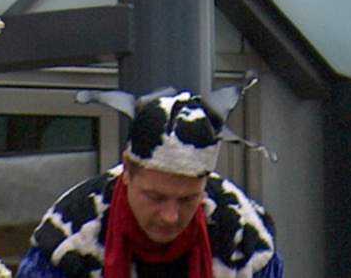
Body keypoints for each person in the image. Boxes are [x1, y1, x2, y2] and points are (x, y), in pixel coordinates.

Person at [17, 88, 281, 278]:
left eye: (188, 199)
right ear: (127, 170)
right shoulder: (71, 232)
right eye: (156, 197)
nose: (170, 216)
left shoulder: (243, 234)